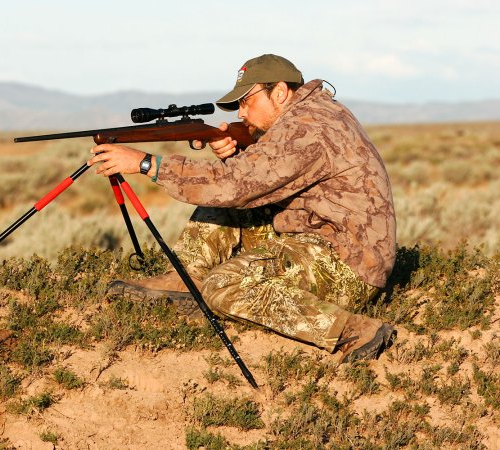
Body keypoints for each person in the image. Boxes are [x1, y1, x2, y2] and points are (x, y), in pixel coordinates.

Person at [87, 54, 397, 363]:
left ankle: (353, 330)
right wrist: (234, 155)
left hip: (349, 262)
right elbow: (253, 181)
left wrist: (146, 164)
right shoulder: (311, 114)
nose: (241, 112)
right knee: (222, 206)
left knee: (224, 285)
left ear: (279, 92)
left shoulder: (309, 126)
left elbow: (232, 184)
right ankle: (184, 278)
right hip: (320, 236)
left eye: (247, 101)